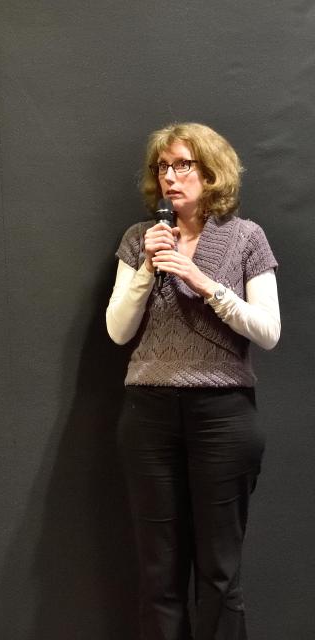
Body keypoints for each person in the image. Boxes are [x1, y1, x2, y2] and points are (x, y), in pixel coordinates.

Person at [106, 122, 280, 640]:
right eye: (163, 167)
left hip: (222, 414)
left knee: (219, 573)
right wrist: (147, 270)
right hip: (149, 416)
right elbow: (118, 331)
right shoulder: (140, 239)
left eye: (184, 165)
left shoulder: (247, 237)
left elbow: (268, 331)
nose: (171, 177)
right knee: (158, 573)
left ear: (211, 172)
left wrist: (200, 280)